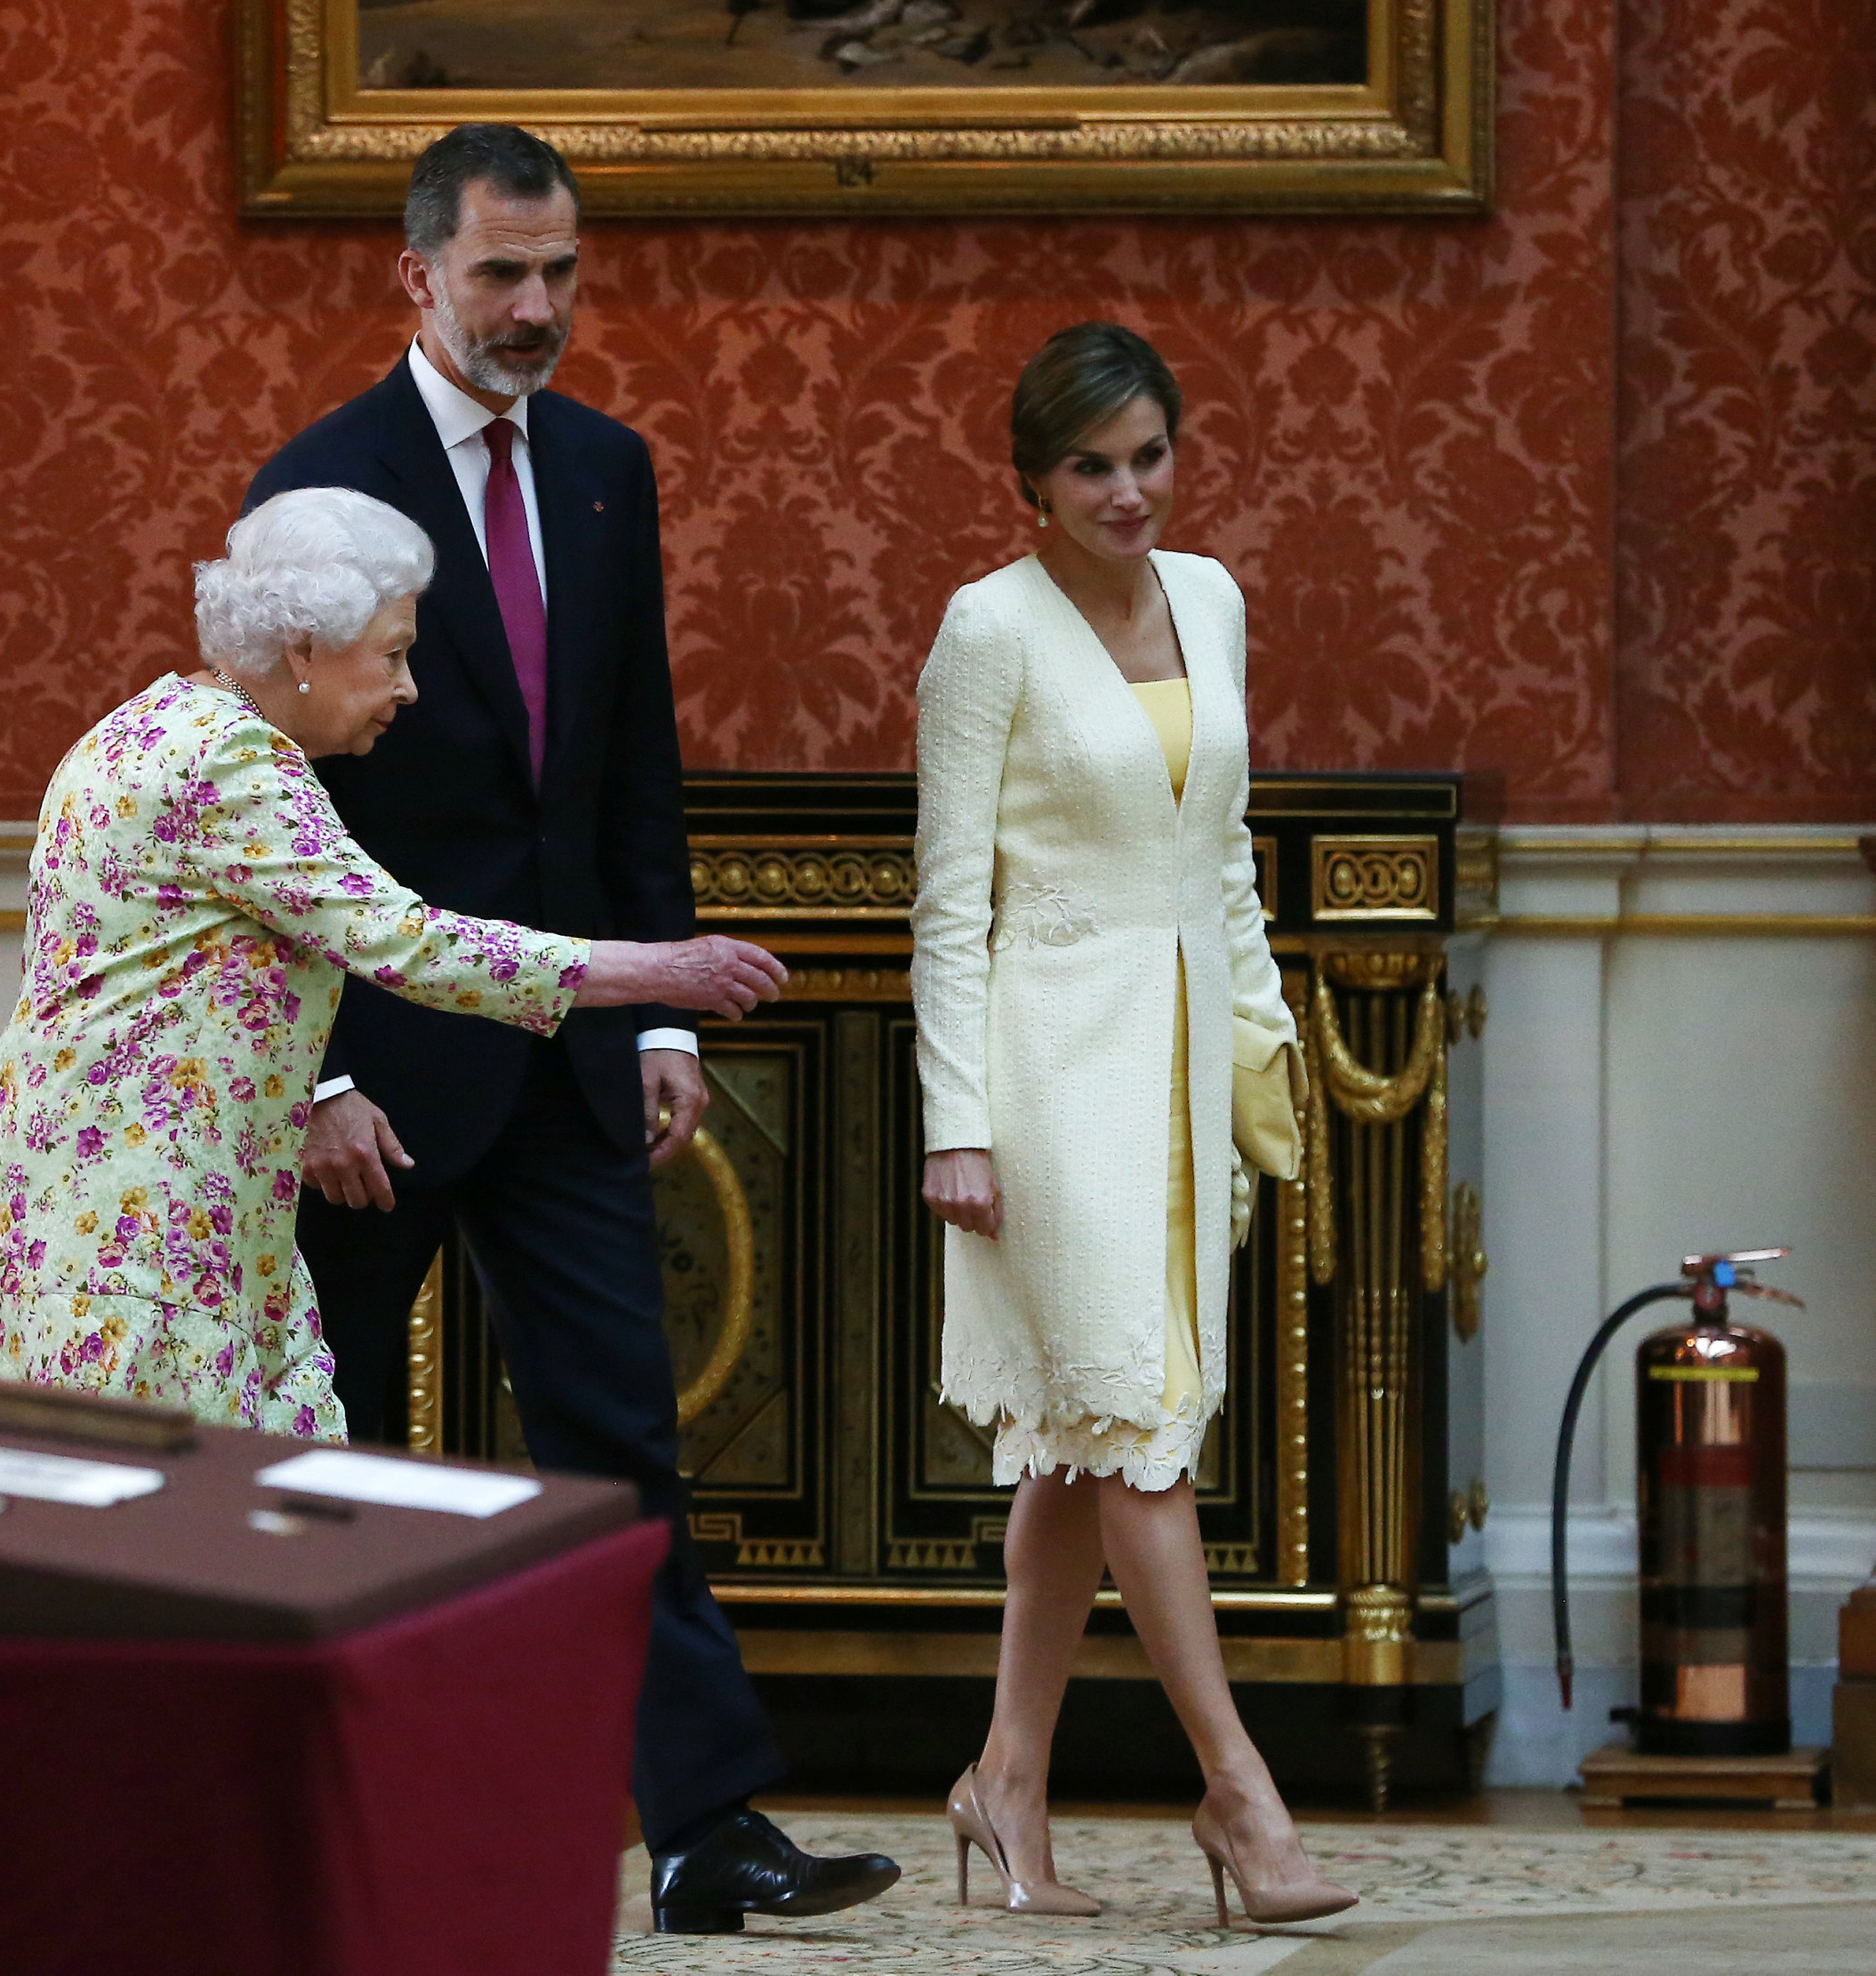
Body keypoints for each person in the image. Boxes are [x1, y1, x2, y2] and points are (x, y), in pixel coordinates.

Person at [244, 124, 898, 1936]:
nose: (536, 309)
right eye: (499, 277)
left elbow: (623, 767)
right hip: (375, 1075)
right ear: (417, 276)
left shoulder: (607, 472)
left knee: (623, 1435)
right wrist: (324, 1071)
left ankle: (700, 1824)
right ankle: (334, 1809)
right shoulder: (319, 484)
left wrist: (653, 1006)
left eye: (560, 274)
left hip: (567, 1053)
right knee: (348, 1448)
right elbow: (271, 816)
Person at [0, 487, 789, 1439]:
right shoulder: (232, 763)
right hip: (143, 1216)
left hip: (124, 1192)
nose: (408, 688)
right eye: (395, 655)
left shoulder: (143, 725)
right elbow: (405, 940)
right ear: (304, 650)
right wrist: (658, 970)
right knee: (167, 1521)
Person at [910, 322, 1356, 1927]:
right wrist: (954, 1123)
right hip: (1043, 1076)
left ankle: (1003, 1781)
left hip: (1177, 1078)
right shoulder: (989, 630)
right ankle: (1243, 1793)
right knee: (1142, 1437)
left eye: (1148, 455)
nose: (1127, 489)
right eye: (1090, 465)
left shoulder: (1214, 598)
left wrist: (1262, 1048)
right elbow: (946, 906)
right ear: (1031, 480)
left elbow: (1220, 862)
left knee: (1085, 1447)